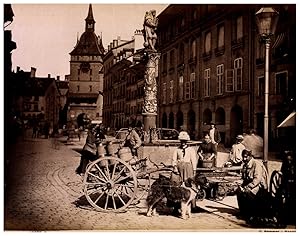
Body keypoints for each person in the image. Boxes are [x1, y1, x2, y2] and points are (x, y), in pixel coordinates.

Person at [236, 149, 269, 221]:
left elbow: (257, 179)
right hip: (250, 184)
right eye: (243, 157)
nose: (244, 159)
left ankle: (250, 213)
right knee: (238, 191)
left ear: (250, 156)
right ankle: (243, 212)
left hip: (259, 186)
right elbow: (244, 178)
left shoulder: (256, 164)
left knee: (248, 193)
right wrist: (240, 184)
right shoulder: (245, 165)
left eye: (246, 157)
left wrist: (248, 187)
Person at [172, 131, 200, 212]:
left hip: (188, 168)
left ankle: (192, 206)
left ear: (187, 142)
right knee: (177, 186)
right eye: (182, 141)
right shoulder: (177, 150)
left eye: (184, 141)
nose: (183, 143)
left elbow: (194, 160)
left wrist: (194, 170)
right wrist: (175, 167)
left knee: (189, 186)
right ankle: (176, 206)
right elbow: (174, 160)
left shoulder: (191, 150)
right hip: (179, 169)